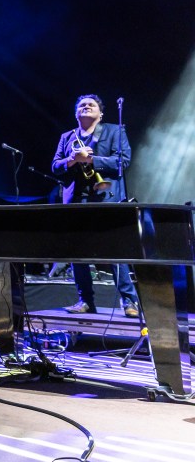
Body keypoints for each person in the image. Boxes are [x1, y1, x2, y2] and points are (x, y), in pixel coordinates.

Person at [52, 94, 139, 317]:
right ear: (76, 113)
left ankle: (129, 301)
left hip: (106, 197)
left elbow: (123, 162)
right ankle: (86, 301)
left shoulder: (114, 131)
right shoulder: (67, 137)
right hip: (76, 201)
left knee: (115, 251)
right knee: (77, 252)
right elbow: (56, 166)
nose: (86, 107)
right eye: (81, 105)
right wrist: (73, 159)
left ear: (100, 114)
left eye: (92, 105)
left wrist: (90, 160)